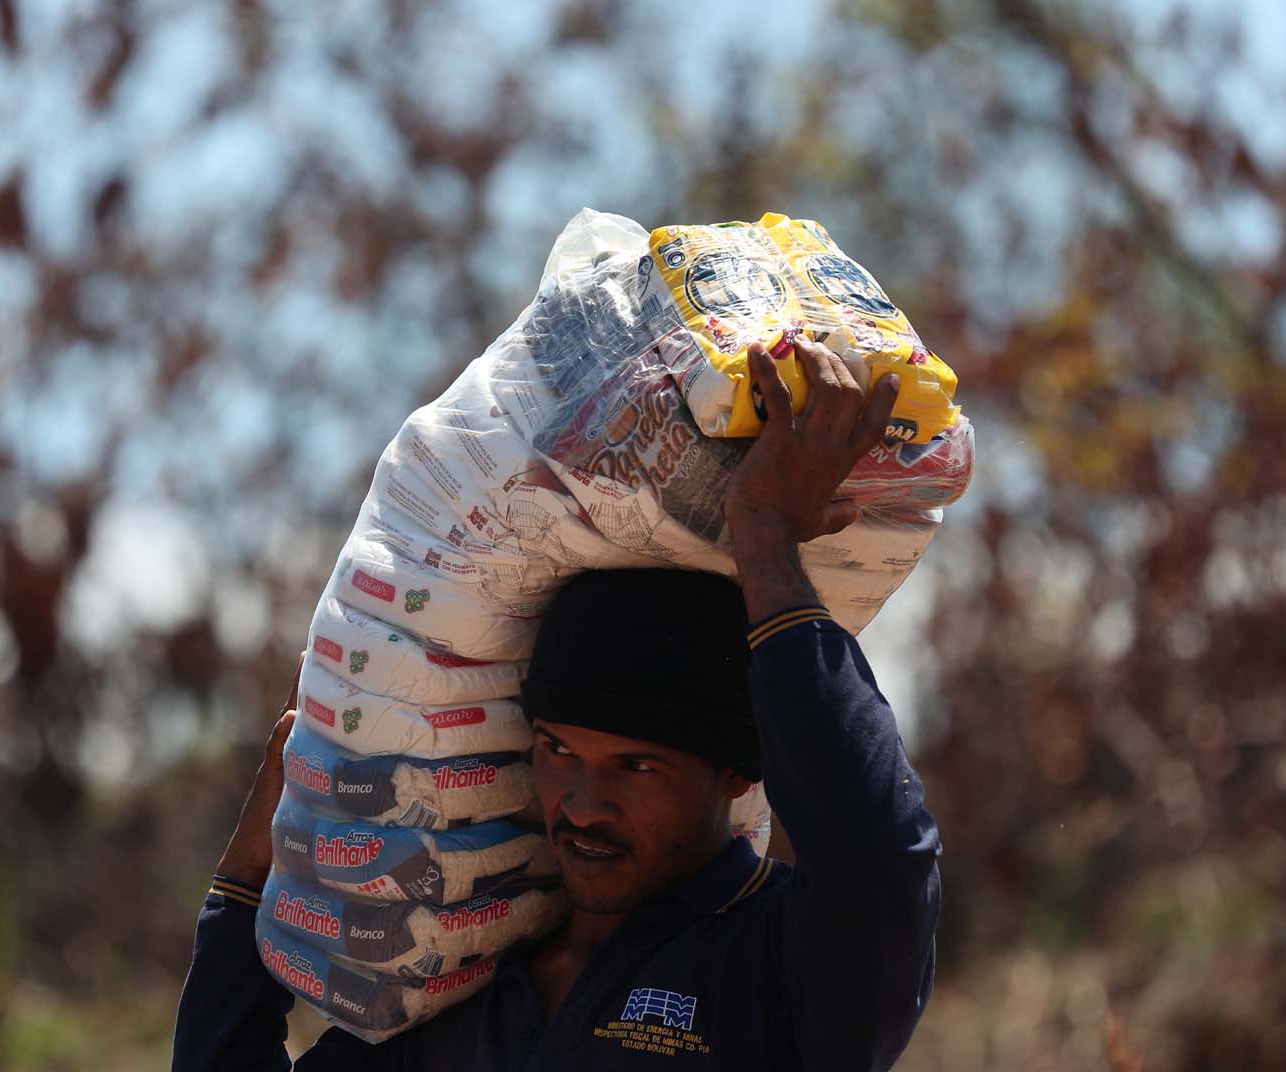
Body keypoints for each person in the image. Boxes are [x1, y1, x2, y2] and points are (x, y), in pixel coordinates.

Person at [172, 339, 942, 1070]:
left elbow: (878, 856)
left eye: (635, 766)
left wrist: (765, 533)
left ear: (738, 772)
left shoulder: (778, 966)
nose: (581, 802)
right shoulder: (457, 986)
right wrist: (248, 876)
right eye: (558, 749)